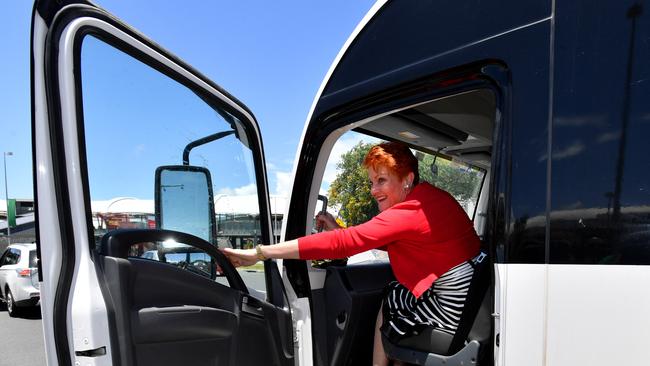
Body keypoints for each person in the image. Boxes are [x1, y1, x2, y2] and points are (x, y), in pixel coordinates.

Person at [223, 142, 481, 366]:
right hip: (469, 303)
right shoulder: (432, 200)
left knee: (391, 300)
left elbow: (344, 243)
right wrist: (340, 229)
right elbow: (393, 241)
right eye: (371, 182)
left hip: (449, 312)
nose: (373, 190)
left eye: (382, 180)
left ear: (407, 179)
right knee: (394, 293)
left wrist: (260, 253)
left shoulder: (410, 210)